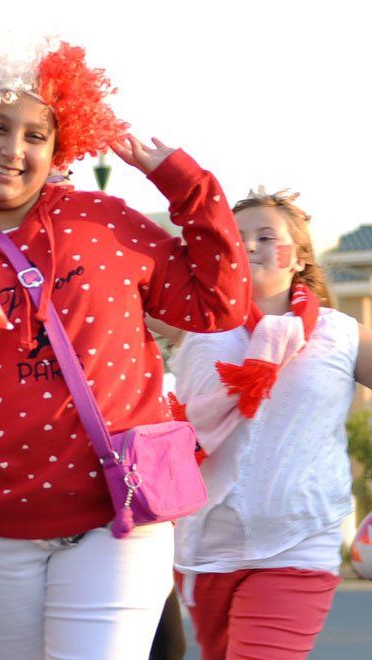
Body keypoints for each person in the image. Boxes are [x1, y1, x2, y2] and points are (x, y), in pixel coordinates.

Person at [0, 29, 251, 659]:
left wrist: (187, 186)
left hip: (121, 515)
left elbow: (218, 303)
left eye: (36, 135)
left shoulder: (103, 219)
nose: (14, 150)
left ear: (59, 147)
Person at [164, 188, 372, 659]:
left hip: (298, 544)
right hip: (202, 549)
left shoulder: (340, 333)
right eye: (234, 237)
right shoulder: (192, 322)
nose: (248, 246)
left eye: (265, 236)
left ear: (299, 257)